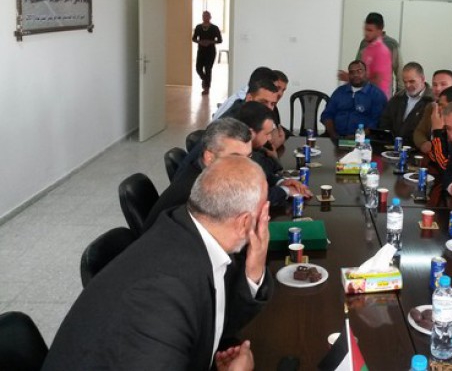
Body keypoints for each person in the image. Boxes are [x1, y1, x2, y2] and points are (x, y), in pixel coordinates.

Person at [42, 156, 272, 371]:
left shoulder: (189, 229)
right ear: (244, 223)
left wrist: (254, 268)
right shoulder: (162, 298)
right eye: (264, 212)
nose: (267, 220)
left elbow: (218, 317)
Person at [143, 118, 253, 231]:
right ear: (210, 157)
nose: (247, 167)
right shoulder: (197, 198)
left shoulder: (211, 175)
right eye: (236, 158)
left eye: (249, 157)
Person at [237, 101, 312, 205]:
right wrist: (286, 191)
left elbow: (264, 174)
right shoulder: (236, 156)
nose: (270, 138)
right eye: (267, 133)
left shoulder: (254, 149)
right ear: (251, 133)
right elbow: (254, 197)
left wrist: (281, 182)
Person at [320, 60, 387, 141]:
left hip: (364, 140)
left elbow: (376, 122)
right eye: (352, 72)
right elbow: (327, 115)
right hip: (335, 137)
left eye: (359, 71)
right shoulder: (339, 92)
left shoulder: (377, 95)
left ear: (366, 73)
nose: (355, 75)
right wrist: (333, 135)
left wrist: (355, 138)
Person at [338, 12, 393, 98]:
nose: (366, 33)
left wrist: (351, 78)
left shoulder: (382, 51)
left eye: (370, 30)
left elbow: (377, 80)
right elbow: (365, 75)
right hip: (365, 97)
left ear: (379, 31)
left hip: (377, 99)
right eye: (365, 29)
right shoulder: (367, 49)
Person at [378, 62, 434, 147]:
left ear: (422, 79)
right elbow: (384, 123)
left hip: (418, 149)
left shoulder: (432, 101)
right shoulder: (396, 98)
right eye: (405, 82)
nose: (408, 85)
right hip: (393, 148)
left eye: (412, 81)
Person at [413, 69, 452, 154]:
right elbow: (419, 131)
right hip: (431, 155)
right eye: (434, 85)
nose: (438, 88)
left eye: (443, 84)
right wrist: (423, 143)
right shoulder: (431, 107)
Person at [192, 11, 223, 95]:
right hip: (201, 51)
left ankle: (207, 88)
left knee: (208, 69)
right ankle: (205, 79)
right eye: (204, 16)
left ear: (210, 17)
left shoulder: (214, 28)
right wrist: (200, 42)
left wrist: (210, 42)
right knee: (198, 68)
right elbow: (194, 38)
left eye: (207, 16)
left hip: (210, 51)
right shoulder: (198, 27)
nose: (205, 17)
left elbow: (220, 40)